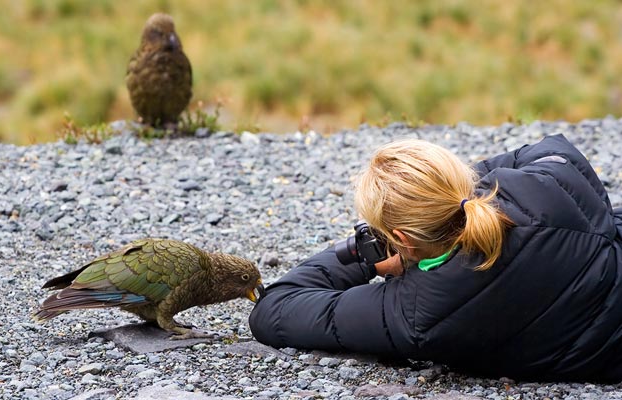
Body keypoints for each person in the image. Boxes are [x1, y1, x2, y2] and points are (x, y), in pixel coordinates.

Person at [249, 134, 622, 382]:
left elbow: (274, 309)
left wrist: (365, 258)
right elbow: (549, 148)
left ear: (401, 240)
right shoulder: (551, 177)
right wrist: (448, 194)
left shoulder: (417, 313)